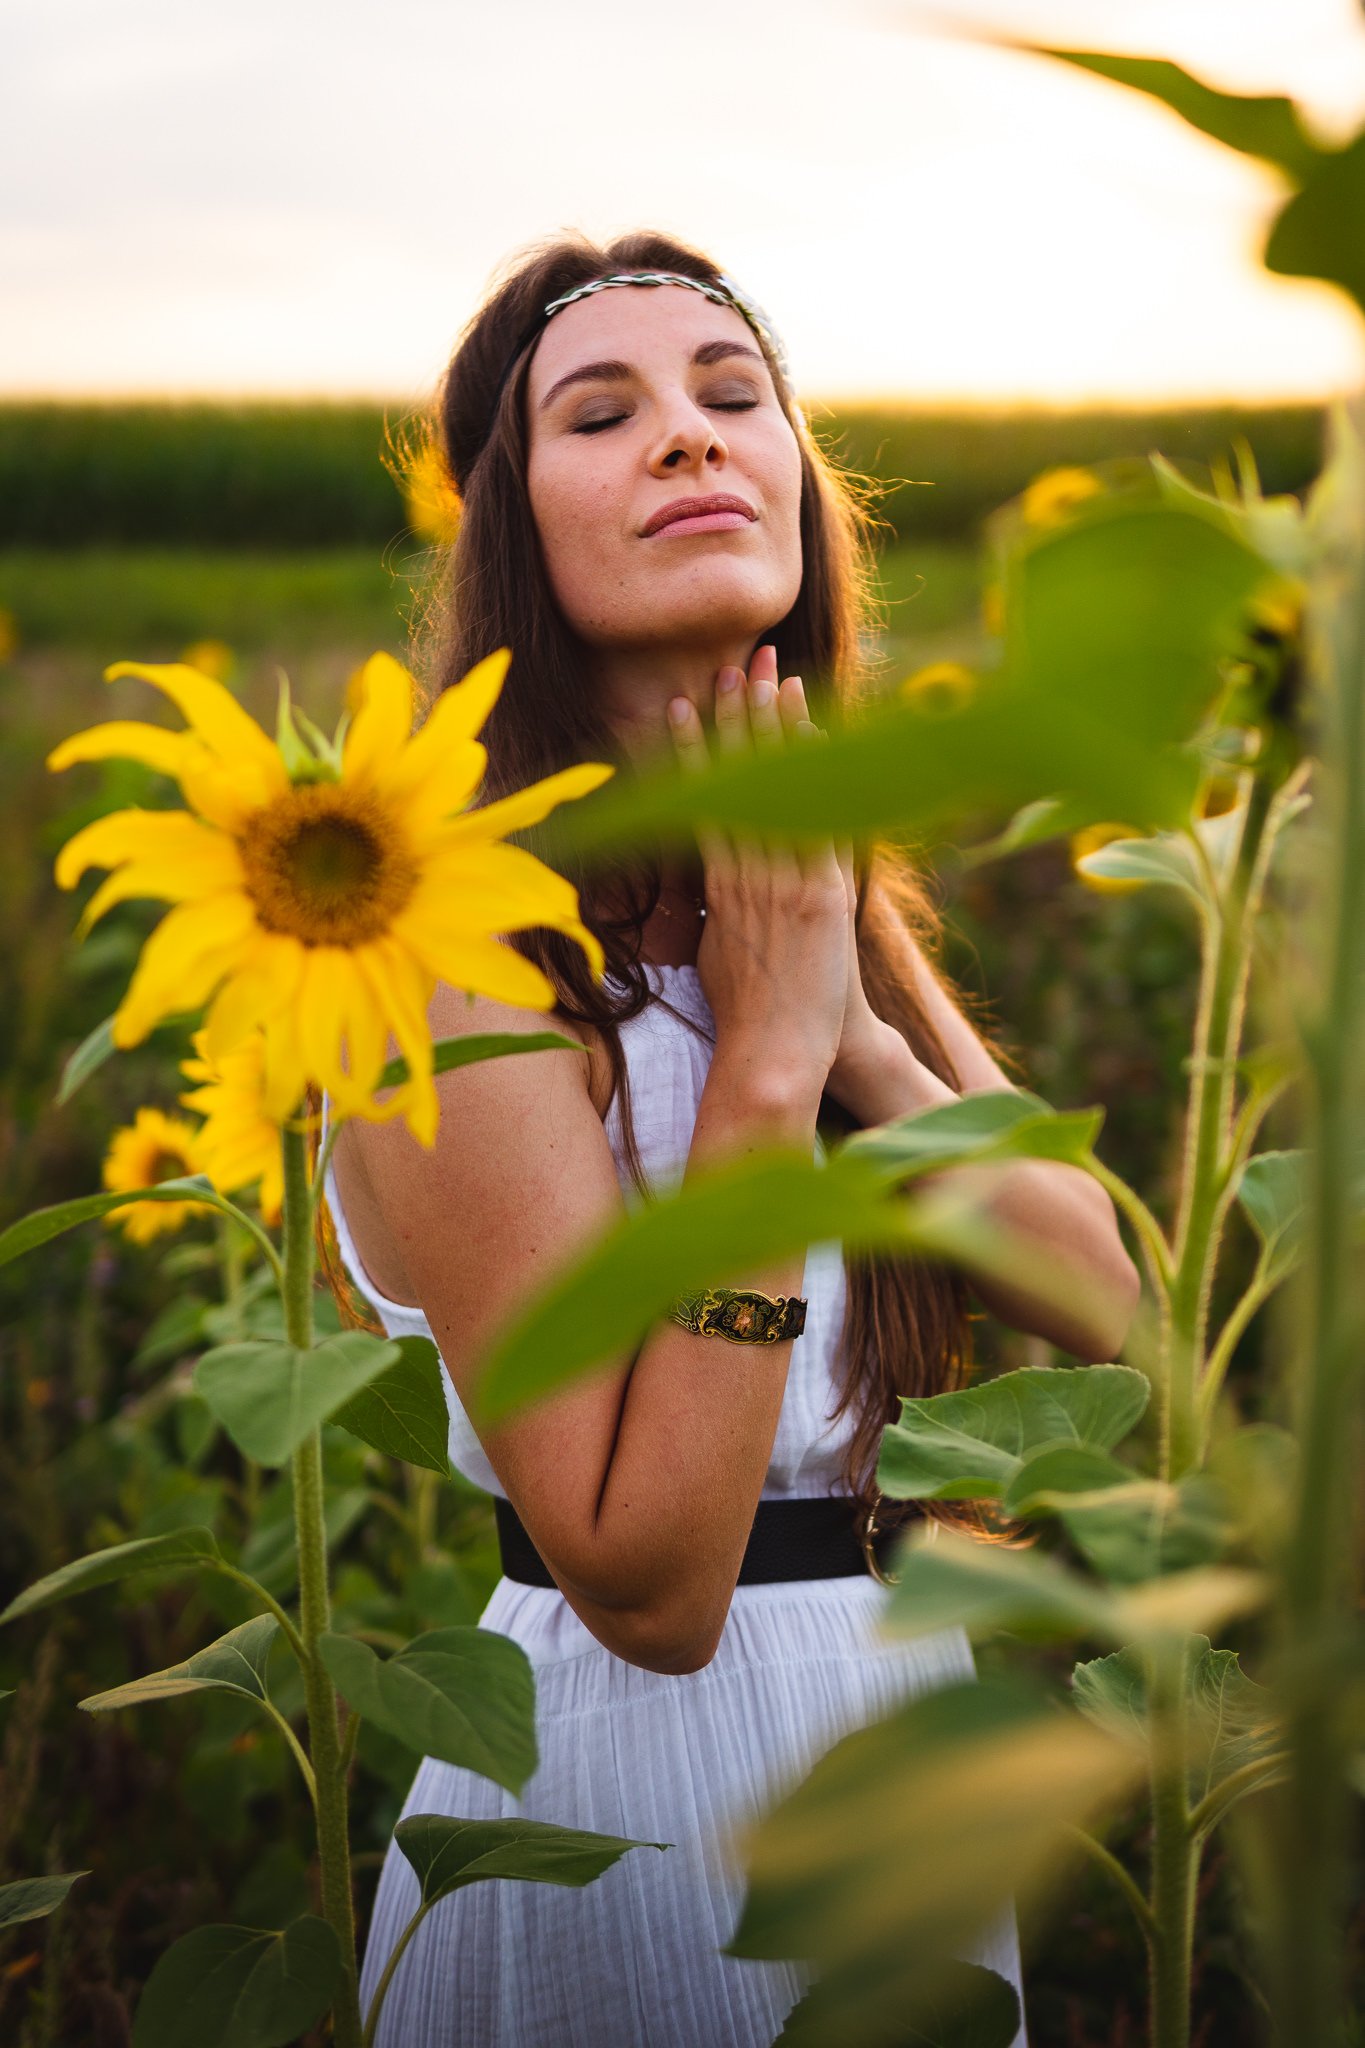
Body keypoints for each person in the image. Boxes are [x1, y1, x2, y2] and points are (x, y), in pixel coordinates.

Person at [318, 229, 1141, 2048]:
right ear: (511, 536)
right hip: (625, 1815)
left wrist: (841, 1023)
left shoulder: (816, 914)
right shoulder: (459, 956)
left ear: (798, 481)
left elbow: (1112, 1314)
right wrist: (763, 1085)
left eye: (733, 394)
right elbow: (647, 1575)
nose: (690, 438)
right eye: (601, 414)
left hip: (893, 1767)